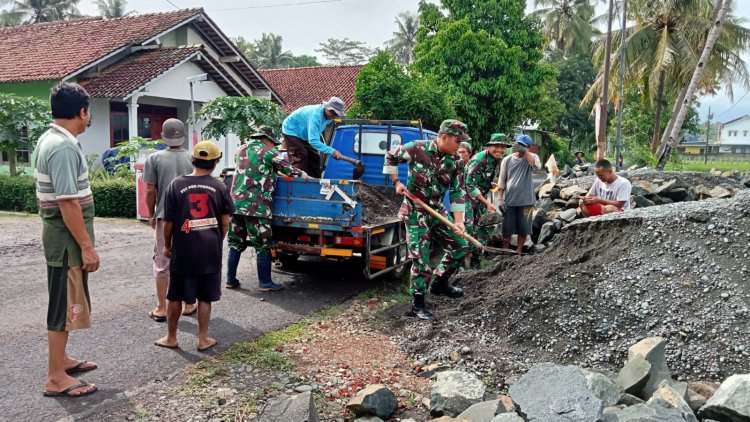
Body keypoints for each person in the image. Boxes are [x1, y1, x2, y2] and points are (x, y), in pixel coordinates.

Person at [35, 82, 99, 397]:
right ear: (81, 111)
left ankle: (62, 361)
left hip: (64, 241)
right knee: (62, 308)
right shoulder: (61, 146)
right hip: (65, 244)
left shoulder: (54, 139)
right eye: (89, 113)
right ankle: (55, 377)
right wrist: (87, 247)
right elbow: (67, 202)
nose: (89, 118)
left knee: (67, 302)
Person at [384, 119, 470, 322]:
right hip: (415, 212)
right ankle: (418, 303)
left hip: (437, 211)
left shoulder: (456, 161)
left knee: (460, 246)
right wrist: (396, 182)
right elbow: (391, 156)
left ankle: (440, 283)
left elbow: (458, 192)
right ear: (444, 137)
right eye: (458, 141)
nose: (460, 146)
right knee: (421, 258)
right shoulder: (417, 149)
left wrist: (459, 222)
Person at [155, 141, 234, 352]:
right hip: (210, 251)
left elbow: (169, 221)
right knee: (205, 296)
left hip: (183, 250)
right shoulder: (220, 187)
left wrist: (167, 246)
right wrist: (217, 240)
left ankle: (171, 337)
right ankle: (202, 339)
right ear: (215, 163)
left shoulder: (176, 184)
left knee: (175, 295)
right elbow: (225, 222)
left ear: (193, 160)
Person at [226, 126, 305, 291]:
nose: (274, 146)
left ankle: (230, 280)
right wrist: (306, 176)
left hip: (236, 205)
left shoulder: (241, 148)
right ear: (267, 139)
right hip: (257, 207)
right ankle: (265, 282)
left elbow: (250, 169)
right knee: (262, 244)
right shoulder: (270, 152)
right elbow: (290, 171)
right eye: (273, 143)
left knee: (235, 242)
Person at [143, 118, 196, 322]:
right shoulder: (193, 157)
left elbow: (150, 190)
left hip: (165, 216)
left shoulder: (154, 158)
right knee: (187, 260)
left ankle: (161, 307)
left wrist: (152, 214)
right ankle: (189, 303)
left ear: (163, 136)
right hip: (190, 218)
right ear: (183, 135)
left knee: (162, 262)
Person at [464, 133, 510, 268]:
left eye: (503, 147)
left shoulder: (495, 159)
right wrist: (487, 203)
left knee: (481, 229)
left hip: (479, 199)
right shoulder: (479, 161)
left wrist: (489, 184)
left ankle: (475, 260)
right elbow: (469, 184)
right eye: (497, 146)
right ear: (489, 146)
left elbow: (481, 179)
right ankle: (459, 262)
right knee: (467, 229)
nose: (500, 150)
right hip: (466, 199)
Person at [497, 134, 541, 254]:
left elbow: (536, 167)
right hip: (510, 200)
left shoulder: (531, 158)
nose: (519, 147)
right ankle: (505, 250)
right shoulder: (507, 159)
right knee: (507, 228)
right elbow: (502, 180)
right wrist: (500, 199)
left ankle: (519, 250)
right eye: (518, 144)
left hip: (526, 201)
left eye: (522, 145)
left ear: (528, 147)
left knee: (524, 228)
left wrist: (526, 152)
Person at [281, 97, 346, 178]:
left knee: (315, 158)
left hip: (304, 134)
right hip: (291, 130)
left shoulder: (329, 118)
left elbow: (315, 134)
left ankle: (315, 184)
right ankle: (296, 183)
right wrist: (331, 151)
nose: (333, 116)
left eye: (335, 114)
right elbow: (313, 141)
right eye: (332, 112)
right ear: (327, 107)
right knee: (301, 155)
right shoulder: (315, 115)